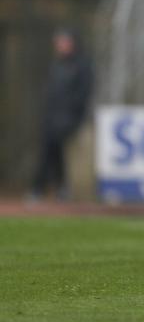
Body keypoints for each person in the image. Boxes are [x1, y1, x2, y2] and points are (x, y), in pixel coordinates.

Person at [31, 28, 93, 200]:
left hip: (68, 119)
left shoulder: (81, 65)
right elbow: (51, 92)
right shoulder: (57, 65)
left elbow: (83, 94)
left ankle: (46, 188)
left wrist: (75, 117)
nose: (60, 46)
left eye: (63, 42)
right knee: (50, 153)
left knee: (59, 155)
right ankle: (48, 188)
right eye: (58, 43)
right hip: (52, 118)